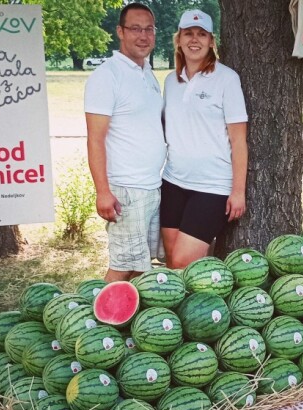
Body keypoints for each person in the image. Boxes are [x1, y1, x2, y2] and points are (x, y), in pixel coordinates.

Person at [84, 3, 166, 282]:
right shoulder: (107, 76)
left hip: (151, 186)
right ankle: (94, 323)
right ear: (120, 31)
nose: (143, 36)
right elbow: (95, 138)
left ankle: (126, 323)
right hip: (125, 191)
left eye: (149, 29)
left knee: (140, 267)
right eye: (135, 29)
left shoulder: (147, 73)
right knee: (123, 265)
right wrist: (102, 192)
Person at [161, 9, 249, 269]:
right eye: (188, 33)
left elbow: (239, 141)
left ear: (212, 41)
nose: (194, 39)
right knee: (170, 260)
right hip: (173, 181)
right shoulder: (170, 81)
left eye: (202, 34)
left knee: (181, 262)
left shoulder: (227, 79)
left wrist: (238, 191)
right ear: (178, 39)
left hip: (212, 187)